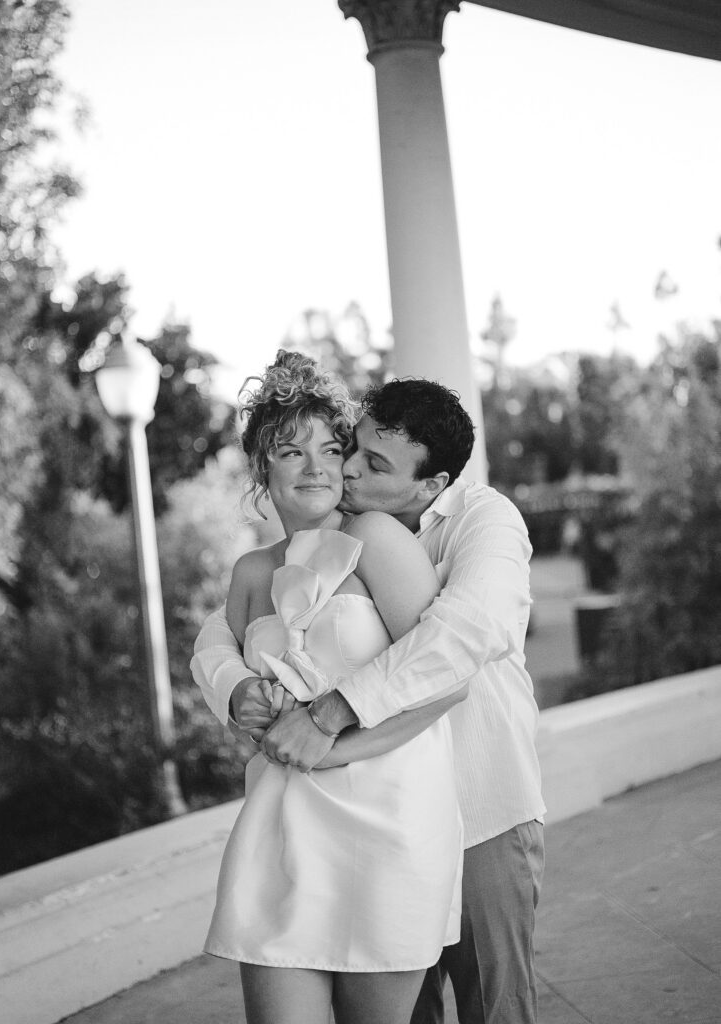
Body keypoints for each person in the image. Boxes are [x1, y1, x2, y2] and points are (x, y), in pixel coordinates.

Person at [192, 372, 546, 1024]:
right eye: (348, 446)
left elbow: (464, 637)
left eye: (366, 460)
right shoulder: (305, 543)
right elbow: (220, 637)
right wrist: (236, 685)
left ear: (430, 485)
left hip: (476, 805)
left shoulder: (478, 520)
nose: (345, 469)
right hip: (307, 817)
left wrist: (328, 727)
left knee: (495, 1009)